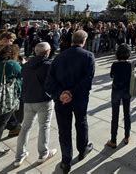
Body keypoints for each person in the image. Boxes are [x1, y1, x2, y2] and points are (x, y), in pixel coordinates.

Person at [44, 30, 95, 173]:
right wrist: (70, 93)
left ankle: (66, 160)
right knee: (81, 122)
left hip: (61, 100)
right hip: (79, 98)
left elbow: (49, 83)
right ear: (84, 41)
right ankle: (83, 148)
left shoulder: (58, 57)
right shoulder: (88, 56)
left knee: (64, 129)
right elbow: (88, 81)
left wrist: (62, 94)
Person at [14, 42, 57, 167]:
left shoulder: (26, 65)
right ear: (47, 52)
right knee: (44, 126)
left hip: (28, 99)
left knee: (25, 127)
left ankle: (19, 156)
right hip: (43, 100)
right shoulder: (48, 65)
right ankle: (43, 153)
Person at [106, 44, 132, 148]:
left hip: (116, 90)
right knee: (127, 113)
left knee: (115, 115)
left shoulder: (115, 64)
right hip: (126, 90)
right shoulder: (129, 64)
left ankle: (113, 139)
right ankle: (127, 136)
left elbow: (111, 75)